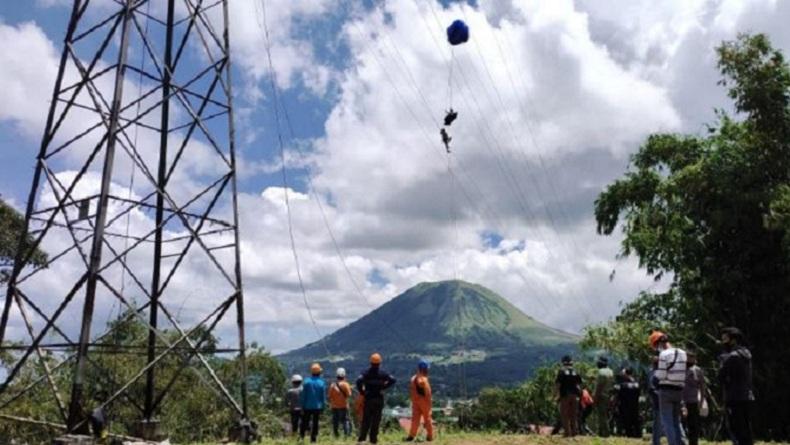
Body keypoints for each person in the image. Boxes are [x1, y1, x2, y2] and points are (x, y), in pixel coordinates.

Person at [718, 327, 754, 445]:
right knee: (747, 429)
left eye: (725, 339)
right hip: (747, 395)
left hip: (734, 397)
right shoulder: (747, 353)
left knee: (736, 429)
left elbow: (721, 377)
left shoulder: (731, 357)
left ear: (733, 340)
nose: (723, 342)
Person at [652, 331, 687, 445]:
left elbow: (661, 375)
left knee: (667, 421)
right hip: (679, 390)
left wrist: (655, 377)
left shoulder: (664, 355)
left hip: (666, 391)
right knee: (676, 421)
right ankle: (680, 442)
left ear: (659, 344)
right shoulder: (682, 353)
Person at [357, 352, 396, 444]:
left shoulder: (366, 373)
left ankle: (362, 438)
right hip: (379, 398)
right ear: (379, 363)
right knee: (376, 420)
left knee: (366, 420)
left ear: (371, 362)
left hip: (368, 398)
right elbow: (393, 380)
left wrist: (362, 392)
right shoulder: (383, 374)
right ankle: (373, 439)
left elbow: (358, 381)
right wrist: (384, 387)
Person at [683, 351, 707, 445]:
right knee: (682, 425)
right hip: (682, 401)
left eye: (692, 357)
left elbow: (702, 386)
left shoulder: (697, 370)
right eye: (688, 357)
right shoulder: (680, 370)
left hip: (693, 401)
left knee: (694, 425)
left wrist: (701, 401)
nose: (690, 359)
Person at [555, 355, 582, 437]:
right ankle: (574, 432)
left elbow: (558, 384)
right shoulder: (576, 371)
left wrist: (556, 395)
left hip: (565, 394)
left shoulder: (561, 371)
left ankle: (567, 432)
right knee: (573, 414)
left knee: (564, 414)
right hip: (575, 395)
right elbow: (579, 385)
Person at [406, 360, 433, 442]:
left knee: (415, 419)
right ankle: (430, 436)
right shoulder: (422, 378)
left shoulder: (413, 378)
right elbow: (421, 383)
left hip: (415, 401)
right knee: (427, 419)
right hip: (424, 402)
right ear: (424, 369)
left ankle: (411, 435)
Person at [300, 363, 327, 443]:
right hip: (317, 407)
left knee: (305, 422)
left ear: (311, 372)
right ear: (319, 372)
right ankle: (313, 439)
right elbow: (323, 397)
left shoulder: (306, 382)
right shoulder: (321, 383)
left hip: (307, 406)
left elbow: (303, 395)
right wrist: (323, 407)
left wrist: (302, 406)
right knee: (315, 423)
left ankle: (301, 437)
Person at [614, 367, 641, 437]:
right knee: (635, 421)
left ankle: (629, 434)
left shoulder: (623, 385)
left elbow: (618, 394)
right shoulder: (637, 384)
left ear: (626, 374)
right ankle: (638, 434)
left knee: (627, 422)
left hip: (625, 406)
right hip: (635, 406)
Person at [329, 367, 353, 438]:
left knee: (335, 421)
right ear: (344, 375)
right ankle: (347, 435)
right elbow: (349, 395)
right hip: (344, 406)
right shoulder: (346, 384)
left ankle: (336, 435)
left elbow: (330, 396)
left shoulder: (332, 385)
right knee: (345, 421)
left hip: (334, 406)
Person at [594, 356, 614, 437]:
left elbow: (599, 386)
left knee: (601, 415)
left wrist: (595, 398)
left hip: (602, 396)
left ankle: (605, 432)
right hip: (608, 395)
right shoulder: (610, 371)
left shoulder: (601, 372)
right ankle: (602, 432)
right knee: (605, 414)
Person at [647, 356, 664, 445]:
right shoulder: (656, 372)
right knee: (659, 420)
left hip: (658, 398)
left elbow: (651, 387)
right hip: (660, 398)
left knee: (657, 421)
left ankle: (656, 441)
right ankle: (656, 441)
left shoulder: (653, 372)